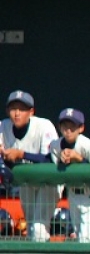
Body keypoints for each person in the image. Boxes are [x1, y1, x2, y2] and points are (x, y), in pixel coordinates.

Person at [0, 90, 60, 242]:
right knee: (32, 227)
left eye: (22, 109)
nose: (17, 113)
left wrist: (21, 154)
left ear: (31, 111)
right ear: (7, 111)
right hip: (27, 183)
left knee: (39, 229)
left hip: (48, 182)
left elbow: (51, 159)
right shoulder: (3, 126)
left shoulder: (44, 126)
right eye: (13, 108)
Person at [50, 108, 90, 243]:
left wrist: (80, 159)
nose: (68, 130)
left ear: (81, 128)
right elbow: (49, 162)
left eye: (72, 126)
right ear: (59, 127)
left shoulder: (88, 145)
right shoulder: (55, 145)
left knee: (86, 239)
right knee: (79, 235)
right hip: (73, 193)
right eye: (65, 126)